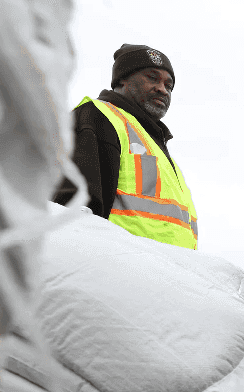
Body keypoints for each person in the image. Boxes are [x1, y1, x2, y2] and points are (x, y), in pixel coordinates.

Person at [54, 44, 198, 249]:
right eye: (152, 78)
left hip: (168, 273)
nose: (162, 89)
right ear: (122, 79)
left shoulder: (159, 150)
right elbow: (73, 207)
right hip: (117, 268)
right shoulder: (99, 117)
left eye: (169, 85)